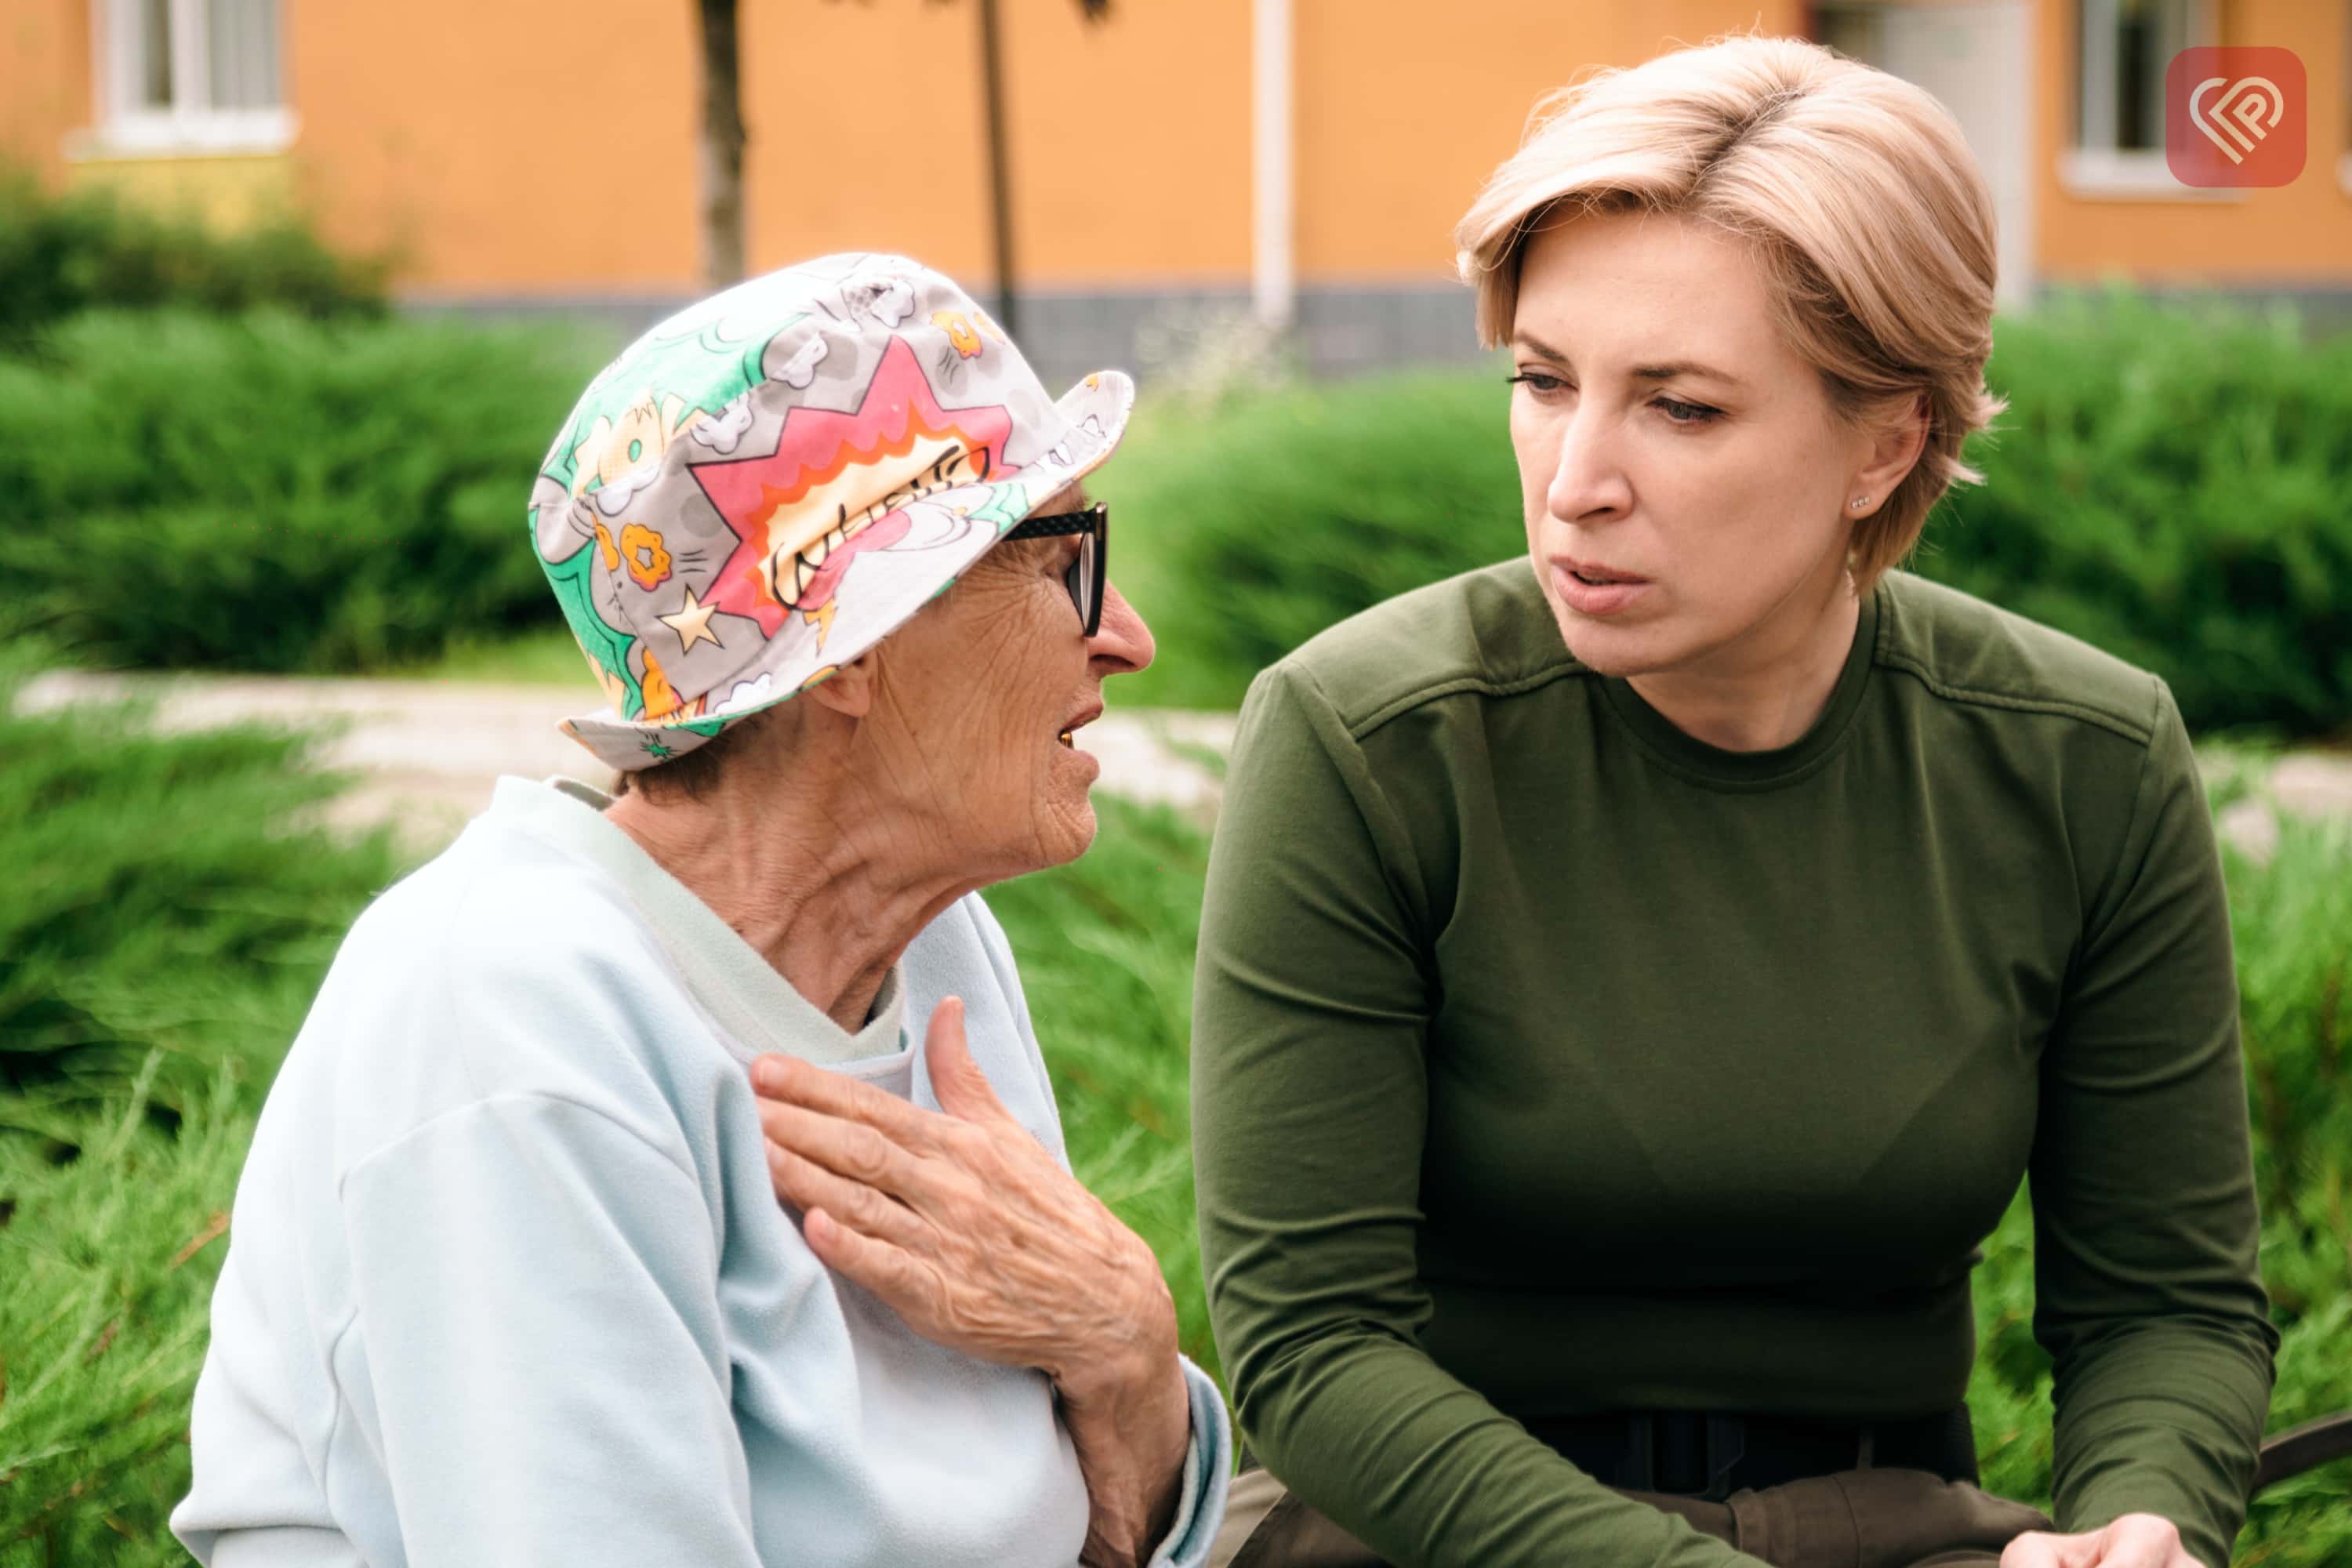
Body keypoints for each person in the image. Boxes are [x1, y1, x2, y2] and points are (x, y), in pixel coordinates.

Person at [1191, 34, 2274, 1568]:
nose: (1575, 479)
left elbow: (2165, 1305)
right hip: (1427, 1538)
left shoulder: (2082, 760)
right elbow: (1314, 1348)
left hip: (1890, 1526)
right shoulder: (1365, 741)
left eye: (1680, 407)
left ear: (1887, 441)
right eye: (1542, 382)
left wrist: (2137, 1524)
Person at [172, 253, 1231, 1567]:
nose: (1126, 633)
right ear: (852, 646)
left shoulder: (934, 940)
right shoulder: (512, 1021)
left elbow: (1111, 1525)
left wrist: (1125, 1346)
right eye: (1062, 557)